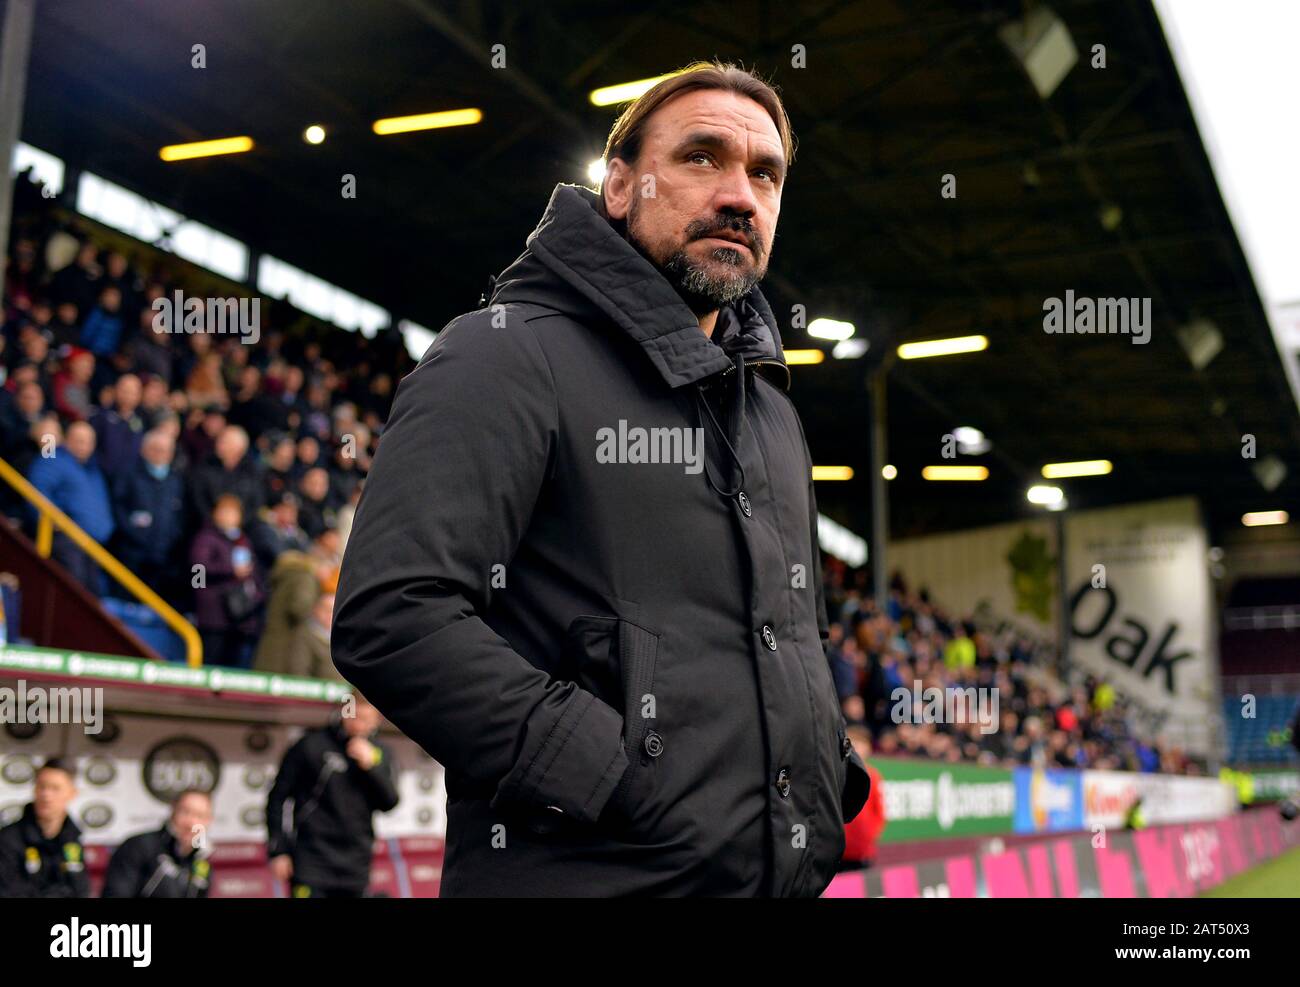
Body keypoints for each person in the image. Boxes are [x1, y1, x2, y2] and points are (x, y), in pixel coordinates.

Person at [333, 60, 868, 897]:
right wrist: (608, 775)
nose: (739, 194)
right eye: (702, 158)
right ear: (620, 186)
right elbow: (392, 613)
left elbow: (790, 634)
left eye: (765, 173)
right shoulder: (503, 351)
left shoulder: (773, 413)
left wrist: (830, 766)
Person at [265, 697, 399, 897]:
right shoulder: (309, 745)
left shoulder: (379, 753)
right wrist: (278, 850)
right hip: (312, 862)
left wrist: (371, 767)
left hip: (356, 865)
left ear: (377, 721)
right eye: (355, 716)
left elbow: (389, 803)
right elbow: (277, 798)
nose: (360, 724)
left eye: (366, 719)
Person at [26, 421, 115, 593]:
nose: (84, 446)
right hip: (67, 541)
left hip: (93, 545)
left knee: (93, 596)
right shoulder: (53, 456)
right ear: (67, 440)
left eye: (88, 442)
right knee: (74, 593)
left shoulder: (92, 468)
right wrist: (51, 522)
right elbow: (38, 486)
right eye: (79, 440)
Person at [191, 494, 264, 667]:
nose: (229, 516)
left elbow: (253, 572)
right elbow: (197, 572)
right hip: (212, 616)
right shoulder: (205, 538)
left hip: (239, 616)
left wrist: (257, 596)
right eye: (225, 511)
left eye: (233, 512)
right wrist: (231, 571)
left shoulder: (243, 540)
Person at [111, 428, 187, 597]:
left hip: (162, 558)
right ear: (144, 450)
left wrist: (171, 538)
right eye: (156, 449)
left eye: (166, 451)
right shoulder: (128, 474)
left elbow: (179, 516)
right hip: (131, 554)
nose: (161, 455)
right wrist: (135, 534)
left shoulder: (175, 480)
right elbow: (119, 508)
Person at [253, 528, 340, 674]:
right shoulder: (307, 579)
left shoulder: (293, 572)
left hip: (273, 637)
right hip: (285, 644)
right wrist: (318, 611)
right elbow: (299, 608)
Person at [0, 759, 90, 897]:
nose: (46, 795)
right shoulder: (8, 839)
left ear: (72, 793)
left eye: (55, 788)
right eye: (41, 786)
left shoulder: (72, 839)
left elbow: (81, 890)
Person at [101, 790, 214, 898]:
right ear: (173, 811)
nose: (191, 823)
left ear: (209, 821)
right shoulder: (138, 846)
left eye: (200, 816)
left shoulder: (202, 862)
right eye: (185, 812)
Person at [839, 727, 886, 870]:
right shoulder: (838, 774)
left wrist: (868, 836)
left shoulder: (874, 775)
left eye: (862, 744)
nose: (858, 748)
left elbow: (880, 812)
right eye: (854, 744)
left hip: (863, 851)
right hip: (839, 849)